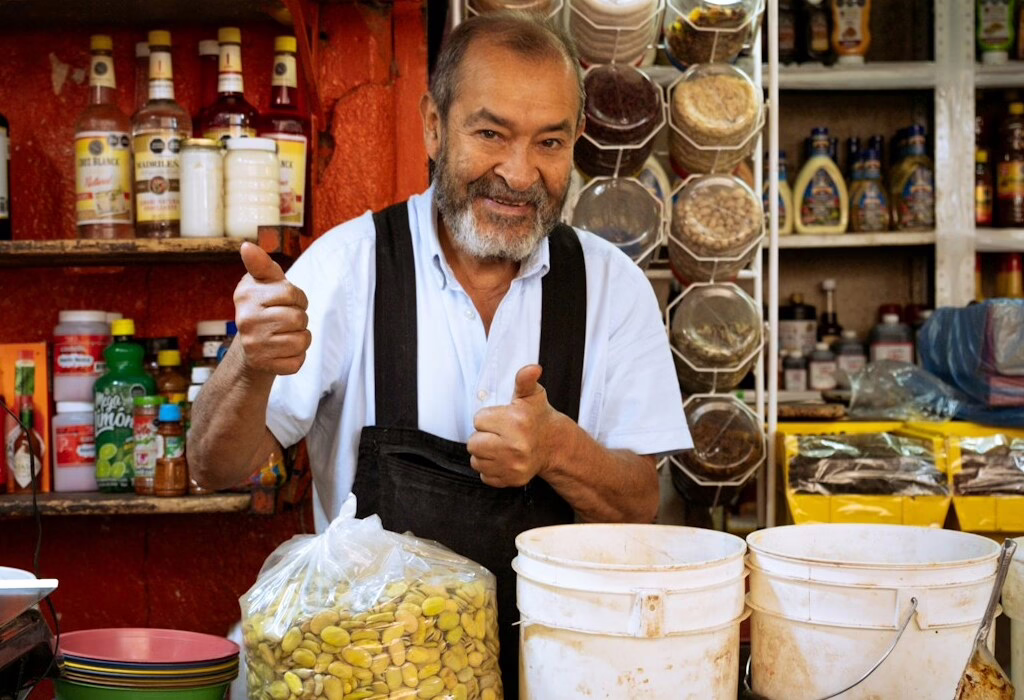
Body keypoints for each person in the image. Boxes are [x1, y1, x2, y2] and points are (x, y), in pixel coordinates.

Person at [189, 11, 690, 694]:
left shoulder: (613, 288)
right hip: (370, 676)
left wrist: (557, 450)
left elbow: (640, 507)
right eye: (490, 134)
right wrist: (250, 365)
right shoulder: (346, 267)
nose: (518, 174)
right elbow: (212, 466)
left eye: (549, 142)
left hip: (562, 678)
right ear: (433, 125)